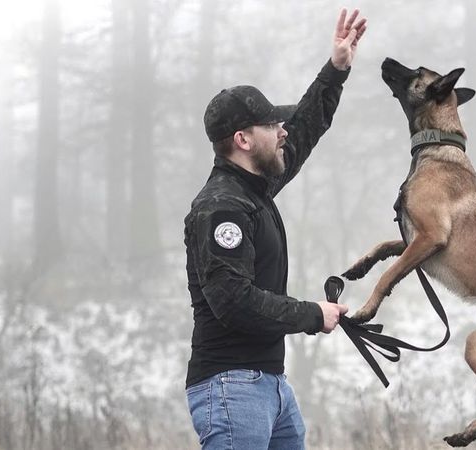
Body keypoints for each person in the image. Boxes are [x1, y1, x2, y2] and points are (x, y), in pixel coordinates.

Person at [183, 8, 367, 450]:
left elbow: (304, 129)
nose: (282, 131)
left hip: (269, 385)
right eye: (271, 125)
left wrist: (336, 69)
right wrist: (311, 314)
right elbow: (233, 301)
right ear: (243, 140)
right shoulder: (220, 207)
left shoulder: (254, 190)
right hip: (232, 387)